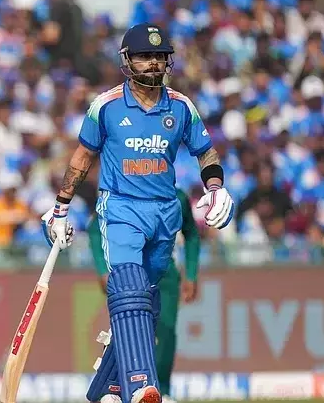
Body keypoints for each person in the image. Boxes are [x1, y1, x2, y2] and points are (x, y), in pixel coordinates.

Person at [40, 23, 234, 403]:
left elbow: (205, 152)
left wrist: (216, 187)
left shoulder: (181, 106)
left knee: (146, 298)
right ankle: (140, 384)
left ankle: (107, 389)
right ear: (127, 60)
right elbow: (82, 157)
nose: (154, 63)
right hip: (121, 207)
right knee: (129, 286)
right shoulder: (106, 106)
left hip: (165, 212)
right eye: (145, 56)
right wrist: (61, 207)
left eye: (160, 56)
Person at [87, 188, 201, 403]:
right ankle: (114, 389)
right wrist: (103, 268)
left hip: (165, 273)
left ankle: (162, 391)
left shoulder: (178, 198)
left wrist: (191, 274)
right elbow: (95, 230)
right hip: (127, 270)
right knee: (126, 330)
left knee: (165, 331)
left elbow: (192, 234)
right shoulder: (122, 191)